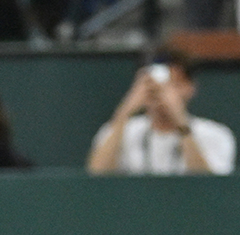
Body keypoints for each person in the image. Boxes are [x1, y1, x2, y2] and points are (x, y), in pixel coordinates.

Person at [87, 51, 235, 175]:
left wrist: (181, 122)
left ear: (190, 87)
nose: (161, 93)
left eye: (173, 84)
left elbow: (211, 188)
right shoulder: (122, 131)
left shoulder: (215, 135)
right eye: (153, 85)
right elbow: (97, 177)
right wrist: (125, 112)